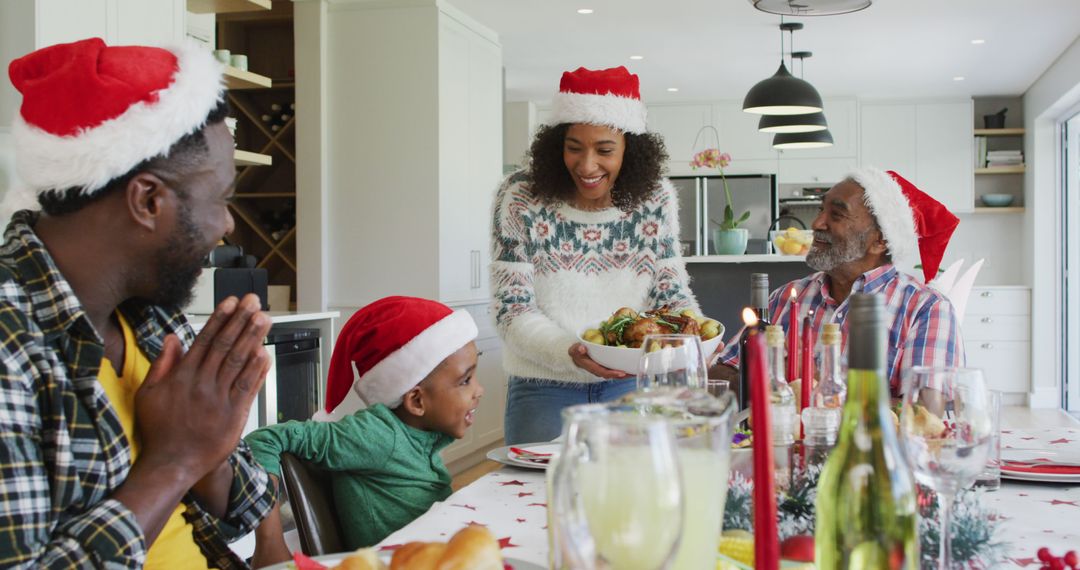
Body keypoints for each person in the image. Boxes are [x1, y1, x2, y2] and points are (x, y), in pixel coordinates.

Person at [0, 38, 276, 569]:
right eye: (220, 199)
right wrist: (174, 461)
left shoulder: (151, 314)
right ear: (148, 201)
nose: (228, 225)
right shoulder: (12, 343)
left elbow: (247, 504)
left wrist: (210, 444)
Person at [491, 66, 701, 445]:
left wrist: (698, 336)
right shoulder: (520, 195)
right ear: (557, 146)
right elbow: (512, 310)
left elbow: (670, 295)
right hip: (543, 387)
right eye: (574, 148)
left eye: (605, 150)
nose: (587, 166)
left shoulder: (656, 198)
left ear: (630, 151)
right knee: (534, 500)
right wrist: (570, 351)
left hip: (630, 388)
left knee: (626, 498)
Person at [245, 296, 482, 565]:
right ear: (416, 401)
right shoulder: (379, 435)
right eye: (466, 380)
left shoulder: (420, 434)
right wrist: (269, 543)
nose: (479, 390)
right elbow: (263, 439)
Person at [713, 167, 964, 397]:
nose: (817, 223)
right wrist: (769, 382)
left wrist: (814, 395)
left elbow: (922, 414)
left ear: (879, 240)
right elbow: (723, 372)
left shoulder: (926, 309)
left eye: (836, 214)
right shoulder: (786, 299)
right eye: (822, 210)